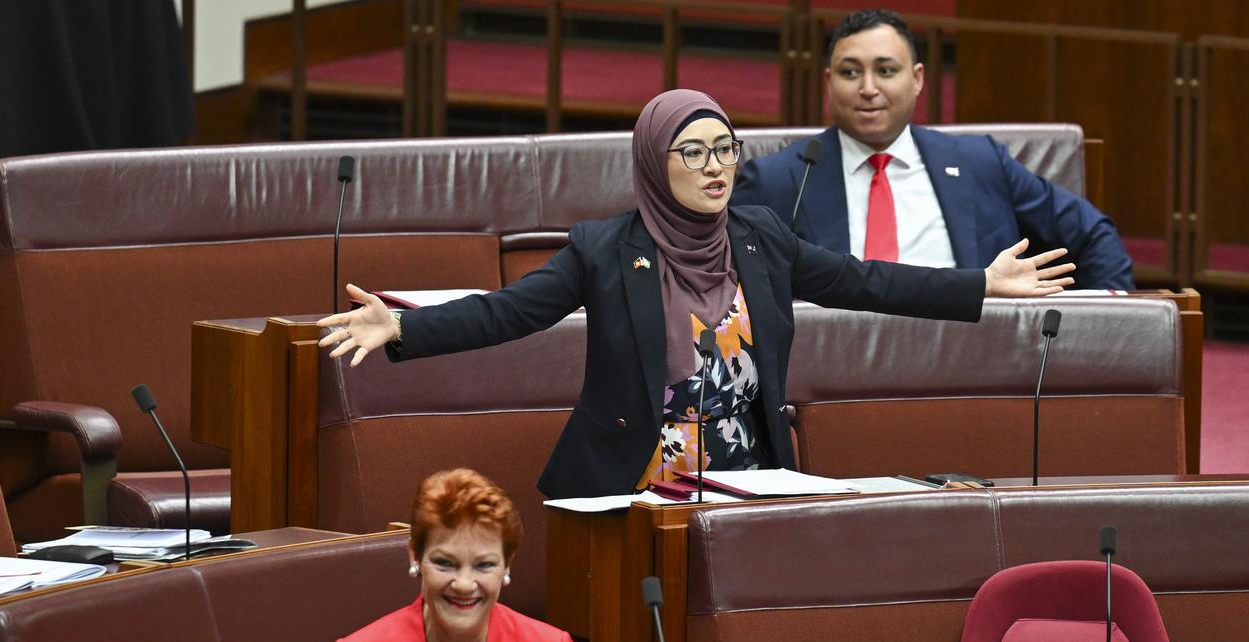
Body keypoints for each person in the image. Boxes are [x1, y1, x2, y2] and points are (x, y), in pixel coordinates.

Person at [317, 89, 1073, 499]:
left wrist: (979, 284)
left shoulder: (760, 238)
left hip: (747, 478)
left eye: (725, 149)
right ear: (655, 162)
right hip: (634, 486)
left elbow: (864, 280)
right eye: (693, 152)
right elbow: (509, 312)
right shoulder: (606, 249)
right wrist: (404, 329)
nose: (716, 167)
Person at [731, 8, 1133, 291]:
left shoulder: (980, 163)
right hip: (835, 379)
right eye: (851, 72)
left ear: (918, 78)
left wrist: (1107, 326)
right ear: (828, 81)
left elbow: (1091, 233)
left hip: (974, 368)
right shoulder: (780, 179)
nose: (868, 88)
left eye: (886, 71)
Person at [321, 468, 589, 642]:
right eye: (445, 563)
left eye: (484, 565)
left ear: (507, 564)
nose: (463, 584)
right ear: (415, 556)